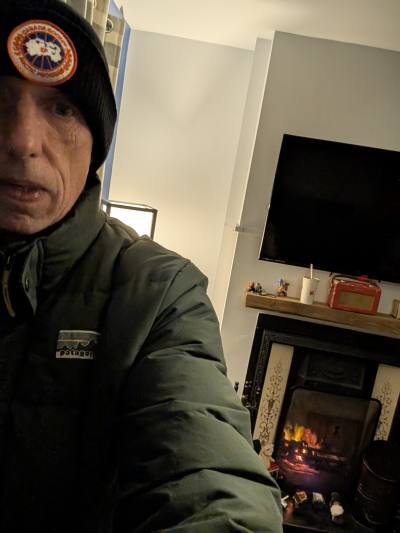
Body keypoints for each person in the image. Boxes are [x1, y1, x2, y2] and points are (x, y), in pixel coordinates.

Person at [0, 1, 283, 531]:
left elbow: (207, 473)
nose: (22, 141)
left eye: (61, 110)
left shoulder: (160, 293)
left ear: (96, 146)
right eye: (0, 100)